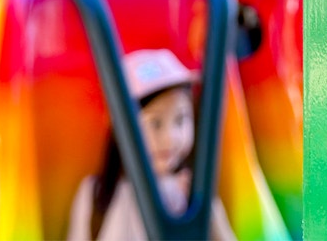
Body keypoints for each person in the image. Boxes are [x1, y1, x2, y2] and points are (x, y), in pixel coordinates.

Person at [67, 48, 236, 240]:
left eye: (181, 119)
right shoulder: (95, 195)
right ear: (120, 128)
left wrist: (210, 210)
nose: (170, 138)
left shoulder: (193, 193)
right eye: (155, 124)